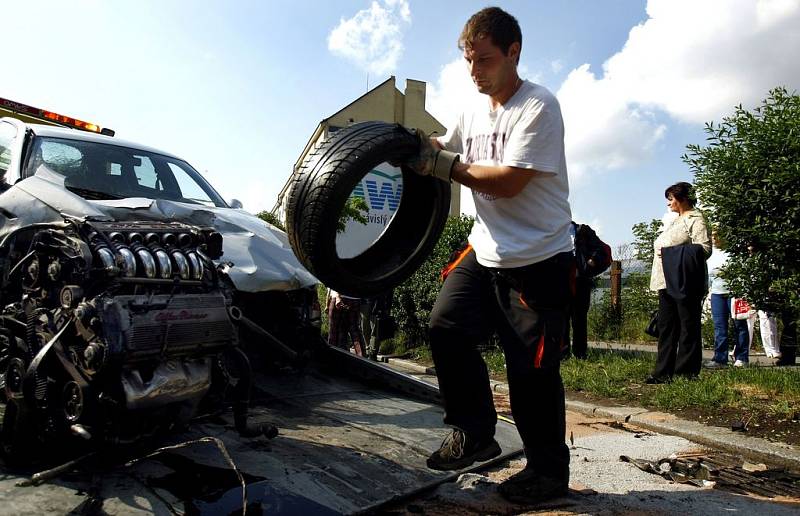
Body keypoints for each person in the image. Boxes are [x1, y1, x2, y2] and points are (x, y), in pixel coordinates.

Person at [398, 7, 574, 504]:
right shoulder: (472, 110)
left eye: (486, 61)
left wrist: (443, 164)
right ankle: (475, 431)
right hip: (486, 249)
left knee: (531, 371)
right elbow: (439, 148)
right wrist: (402, 145)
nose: (475, 72)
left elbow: (510, 181)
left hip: (539, 258)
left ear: (514, 52)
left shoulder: (539, 106)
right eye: (469, 62)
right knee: (445, 326)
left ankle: (547, 475)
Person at [646, 182, 711, 384]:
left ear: (683, 199)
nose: (669, 203)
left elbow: (705, 249)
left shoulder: (696, 219)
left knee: (687, 326)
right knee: (666, 327)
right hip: (666, 281)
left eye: (671, 199)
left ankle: (686, 372)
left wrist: (672, 253)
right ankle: (662, 372)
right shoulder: (674, 221)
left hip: (685, 281)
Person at [704, 233, 749, 368]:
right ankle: (720, 358)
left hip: (734, 293)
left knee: (739, 324)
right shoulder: (710, 255)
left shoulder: (734, 252)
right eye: (712, 236)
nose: (714, 238)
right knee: (719, 326)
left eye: (717, 235)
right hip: (717, 293)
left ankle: (742, 357)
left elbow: (743, 271)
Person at [563, 222, 593, 360]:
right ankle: (563, 353)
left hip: (581, 281)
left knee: (579, 318)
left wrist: (591, 261)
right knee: (562, 318)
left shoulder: (582, 230)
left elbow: (599, 248)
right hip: (561, 281)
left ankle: (580, 353)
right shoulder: (553, 231)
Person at [326, 289, 366, 357]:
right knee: (354, 331)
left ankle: (333, 358)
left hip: (341, 297)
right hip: (355, 298)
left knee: (335, 333)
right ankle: (362, 358)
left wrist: (337, 296)